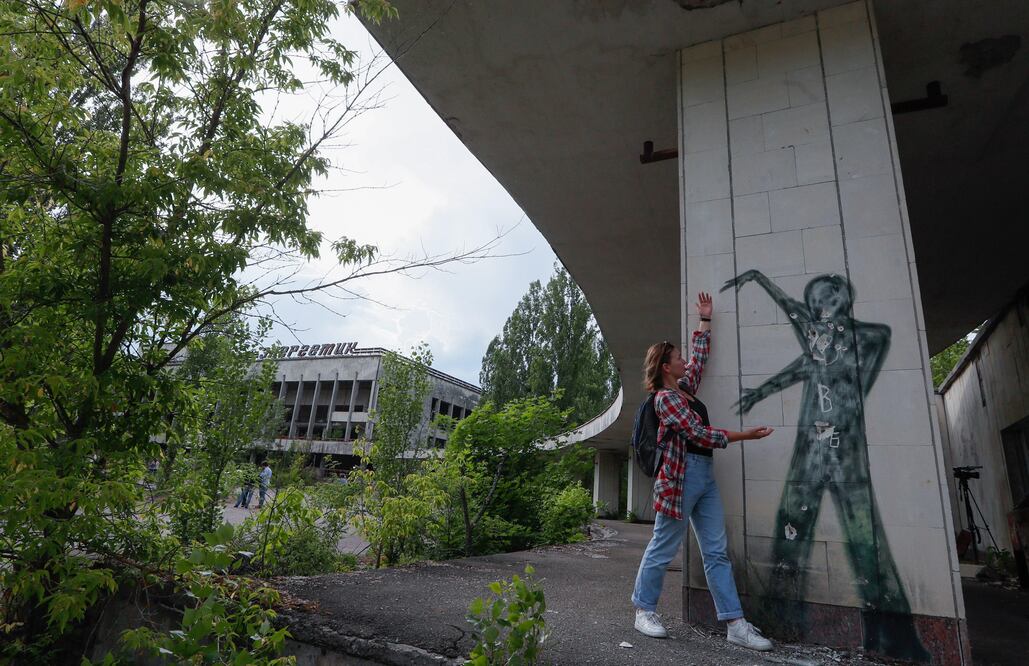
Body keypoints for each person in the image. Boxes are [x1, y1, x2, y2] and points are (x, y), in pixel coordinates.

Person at [632, 292, 775, 652]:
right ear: (666, 366)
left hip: (704, 477)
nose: (683, 361)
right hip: (679, 480)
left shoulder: (685, 391)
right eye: (677, 357)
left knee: (716, 551)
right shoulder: (665, 400)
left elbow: (699, 361)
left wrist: (705, 320)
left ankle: (735, 624)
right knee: (663, 548)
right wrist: (745, 434)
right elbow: (698, 434)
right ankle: (643, 611)